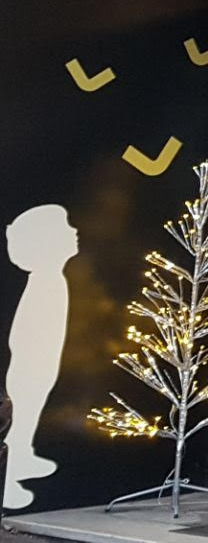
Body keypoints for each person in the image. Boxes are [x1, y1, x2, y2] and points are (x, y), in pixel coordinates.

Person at [5, 205, 78, 509]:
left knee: (30, 415)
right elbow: (24, 330)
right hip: (29, 365)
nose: (74, 232)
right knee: (18, 418)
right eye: (66, 228)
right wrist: (28, 360)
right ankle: (8, 482)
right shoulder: (45, 282)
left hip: (41, 364)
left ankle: (22, 456)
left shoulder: (54, 279)